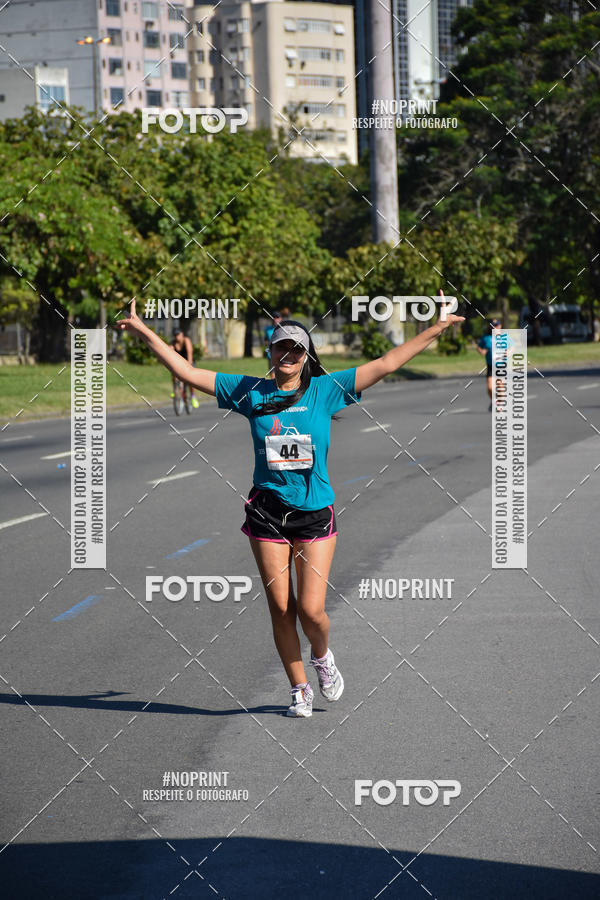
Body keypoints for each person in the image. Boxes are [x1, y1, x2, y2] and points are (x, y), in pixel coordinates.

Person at [118, 298, 464, 717]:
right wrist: (144, 331)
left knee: (311, 610)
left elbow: (388, 362)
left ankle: (322, 656)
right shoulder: (250, 391)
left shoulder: (325, 390)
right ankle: (299, 689)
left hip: (314, 512)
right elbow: (187, 372)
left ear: (306, 356)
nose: (287, 355)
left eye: (296, 349)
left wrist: (437, 328)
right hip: (267, 512)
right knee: (281, 608)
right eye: (281, 347)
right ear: (270, 351)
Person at [477, 318, 501, 411]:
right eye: (493, 326)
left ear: (500, 326)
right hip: (491, 365)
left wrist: (509, 352)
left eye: (496, 326)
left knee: (500, 387)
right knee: (490, 387)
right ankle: (494, 401)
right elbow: (479, 347)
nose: (495, 328)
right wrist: (481, 351)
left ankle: (500, 405)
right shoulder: (486, 338)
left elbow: (512, 347)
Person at [171, 328, 199, 408]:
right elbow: (170, 352)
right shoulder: (173, 343)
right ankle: (175, 390)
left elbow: (190, 353)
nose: (177, 337)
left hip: (188, 362)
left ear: (182, 334)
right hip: (179, 363)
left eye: (178, 334)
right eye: (175, 335)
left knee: (190, 380)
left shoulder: (186, 341)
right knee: (174, 374)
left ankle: (193, 396)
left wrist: (189, 367)